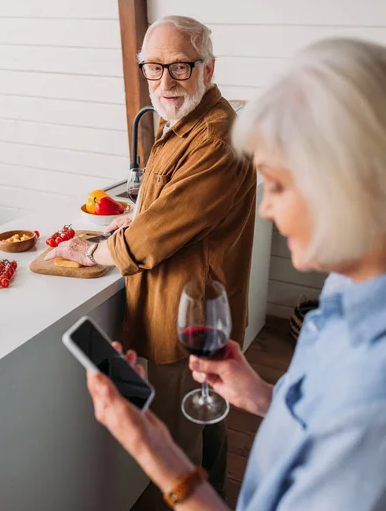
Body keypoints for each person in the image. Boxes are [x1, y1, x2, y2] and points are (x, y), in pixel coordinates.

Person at [86, 37, 386, 510]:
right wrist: (266, 397)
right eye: (154, 68)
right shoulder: (346, 293)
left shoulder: (371, 396)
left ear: (359, 180)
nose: (265, 207)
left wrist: (156, 454)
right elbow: (316, 422)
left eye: (281, 184)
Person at [46, 16, 257, 503]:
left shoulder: (216, 135)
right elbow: (165, 208)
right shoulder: (183, 121)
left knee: (180, 452)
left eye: (180, 67)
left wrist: (92, 249)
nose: (165, 82)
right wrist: (135, 214)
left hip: (188, 319)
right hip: (182, 309)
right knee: (206, 431)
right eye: (153, 68)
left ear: (208, 69)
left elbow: (162, 232)